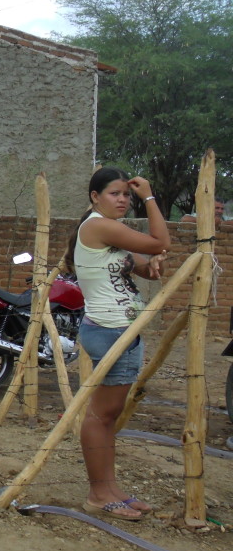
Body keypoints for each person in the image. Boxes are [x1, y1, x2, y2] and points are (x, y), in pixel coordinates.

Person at [64, 166, 169, 521]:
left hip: (122, 330)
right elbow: (159, 241)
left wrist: (152, 266)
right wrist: (150, 197)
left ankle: (110, 489)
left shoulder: (109, 235)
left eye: (127, 194)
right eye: (115, 193)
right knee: (100, 415)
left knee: (108, 417)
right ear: (95, 197)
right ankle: (97, 494)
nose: (124, 199)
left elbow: (144, 263)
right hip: (110, 331)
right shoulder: (98, 225)